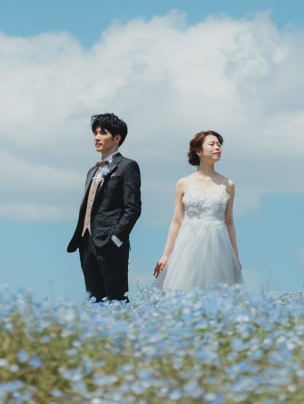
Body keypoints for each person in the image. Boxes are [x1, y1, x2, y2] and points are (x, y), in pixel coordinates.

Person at [153, 130, 243, 290]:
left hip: (218, 246)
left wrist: (235, 257)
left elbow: (229, 222)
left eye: (219, 144)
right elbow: (177, 221)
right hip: (189, 243)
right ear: (198, 151)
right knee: (184, 288)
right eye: (212, 144)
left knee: (217, 292)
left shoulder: (228, 184)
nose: (217, 147)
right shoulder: (183, 183)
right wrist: (166, 254)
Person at [67, 112, 141, 302]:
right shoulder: (92, 170)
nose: (97, 137)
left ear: (117, 138)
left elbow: (133, 208)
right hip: (86, 243)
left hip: (110, 242)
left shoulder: (127, 166)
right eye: (95, 133)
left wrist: (116, 238)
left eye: (102, 133)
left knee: (116, 299)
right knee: (94, 300)